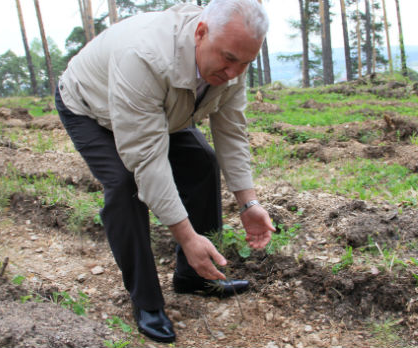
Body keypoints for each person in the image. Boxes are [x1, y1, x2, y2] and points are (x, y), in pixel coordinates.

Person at [55, 0, 274, 343]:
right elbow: (147, 158)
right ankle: (146, 302)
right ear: (201, 32)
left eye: (245, 63)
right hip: (90, 106)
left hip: (161, 107)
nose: (234, 73)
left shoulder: (232, 62)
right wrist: (186, 237)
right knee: (126, 184)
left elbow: (231, 132)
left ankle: (195, 277)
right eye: (228, 59)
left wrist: (249, 203)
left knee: (202, 162)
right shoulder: (144, 56)